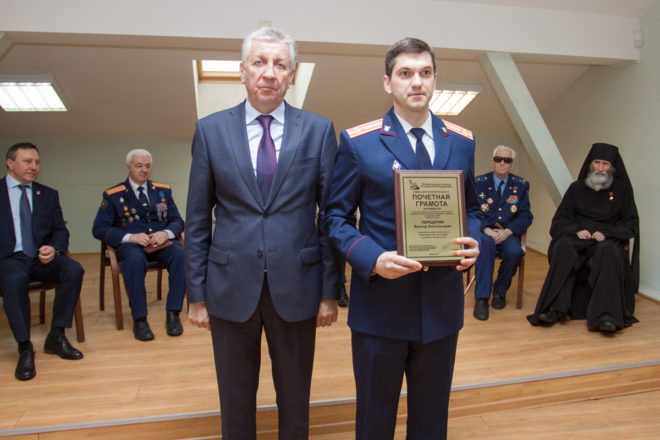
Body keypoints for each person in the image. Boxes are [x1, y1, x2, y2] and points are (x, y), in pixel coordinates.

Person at [184, 27, 340, 439]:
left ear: (291, 74)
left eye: (280, 64)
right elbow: (197, 218)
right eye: (259, 62)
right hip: (229, 286)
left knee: (295, 398)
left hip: (298, 286)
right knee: (235, 400)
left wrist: (330, 291)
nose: (269, 72)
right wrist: (196, 295)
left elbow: (331, 216)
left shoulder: (319, 130)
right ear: (242, 70)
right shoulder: (210, 130)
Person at [324, 38, 480, 440]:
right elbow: (336, 218)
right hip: (381, 309)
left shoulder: (461, 142)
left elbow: (473, 209)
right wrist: (372, 258)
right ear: (387, 82)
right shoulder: (359, 142)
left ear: (435, 79)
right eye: (405, 73)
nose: (417, 82)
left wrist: (474, 240)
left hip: (441, 308)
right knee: (374, 422)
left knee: (431, 423)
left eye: (425, 73)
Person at [528, 142, 639, 333]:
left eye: (605, 164)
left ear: (612, 167)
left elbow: (631, 224)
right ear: (590, 164)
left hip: (607, 239)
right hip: (579, 237)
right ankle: (554, 309)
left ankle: (606, 316)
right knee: (563, 246)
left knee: (608, 250)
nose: (600, 168)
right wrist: (576, 230)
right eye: (597, 162)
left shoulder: (622, 190)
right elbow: (559, 220)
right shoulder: (576, 188)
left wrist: (608, 233)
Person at [1, 142, 84, 381]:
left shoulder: (48, 194)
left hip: (40, 257)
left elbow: (60, 231)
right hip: (8, 258)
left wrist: (54, 248)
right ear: (10, 163)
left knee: (73, 269)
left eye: (37, 162)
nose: (34, 167)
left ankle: (56, 335)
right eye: (27, 161)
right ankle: (25, 347)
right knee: (15, 279)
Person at [92, 148, 185, 341]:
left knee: (182, 255)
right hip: (132, 246)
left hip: (160, 243)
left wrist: (165, 233)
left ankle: (173, 313)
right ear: (128, 167)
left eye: (147, 166)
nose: (144, 170)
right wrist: (130, 237)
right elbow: (99, 228)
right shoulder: (113, 195)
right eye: (139, 166)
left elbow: (177, 221)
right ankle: (140, 319)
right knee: (134, 261)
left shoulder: (162, 191)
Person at [473, 145, 532, 320]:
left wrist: (509, 231)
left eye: (506, 160)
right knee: (485, 247)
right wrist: (485, 229)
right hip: (485, 232)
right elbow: (472, 211)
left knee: (515, 252)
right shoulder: (478, 183)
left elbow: (526, 215)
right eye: (498, 159)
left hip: (507, 232)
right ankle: (482, 299)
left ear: (512, 164)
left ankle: (499, 291)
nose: (502, 163)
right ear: (493, 161)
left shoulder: (521, 185)